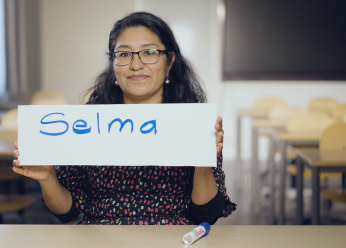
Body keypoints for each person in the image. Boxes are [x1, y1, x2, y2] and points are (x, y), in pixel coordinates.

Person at [12, 12, 236, 225]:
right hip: (99, 237)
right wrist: (48, 178)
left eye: (149, 52)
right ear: (113, 64)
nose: (136, 65)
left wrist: (202, 164)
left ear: (169, 62)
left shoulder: (193, 122)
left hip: (172, 238)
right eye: (124, 54)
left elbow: (207, 215)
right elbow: (68, 212)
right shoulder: (87, 122)